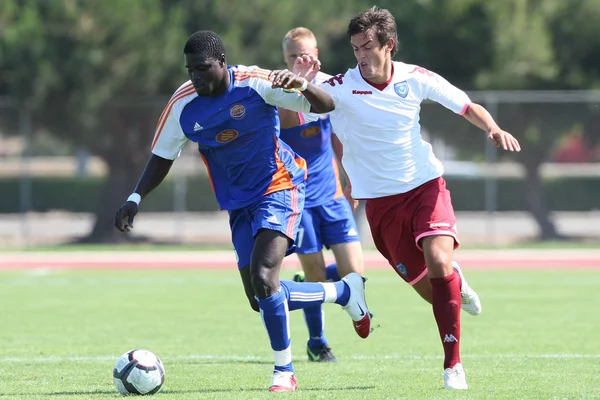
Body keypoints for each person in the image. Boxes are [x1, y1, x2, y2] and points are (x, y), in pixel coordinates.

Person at [114, 30, 372, 392]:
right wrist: (135, 198)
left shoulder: (257, 82)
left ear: (222, 61)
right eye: (190, 70)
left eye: (202, 68)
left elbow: (325, 105)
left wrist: (301, 84)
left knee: (265, 276)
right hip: (238, 204)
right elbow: (161, 156)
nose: (196, 77)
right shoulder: (183, 103)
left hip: (279, 185)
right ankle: (343, 293)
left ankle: (284, 371)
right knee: (258, 298)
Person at [303, 7, 521, 389]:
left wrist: (493, 128)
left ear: (388, 45)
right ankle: (457, 283)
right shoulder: (338, 85)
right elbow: (300, 101)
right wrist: (298, 83)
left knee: (438, 260)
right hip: (381, 207)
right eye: (355, 48)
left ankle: (453, 365)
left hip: (424, 187)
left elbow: (466, 105)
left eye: (367, 46)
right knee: (428, 286)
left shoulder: (415, 78)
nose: (360, 56)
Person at [277, 27, 365, 363]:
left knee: (354, 275)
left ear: (317, 54)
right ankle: (318, 342)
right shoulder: (278, 93)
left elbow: (339, 136)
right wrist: (297, 83)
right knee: (316, 277)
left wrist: (350, 176)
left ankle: (301, 282)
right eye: (293, 56)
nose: (301, 60)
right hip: (299, 200)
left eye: (306, 54)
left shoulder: (332, 88)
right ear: (284, 59)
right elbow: (292, 116)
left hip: (332, 198)